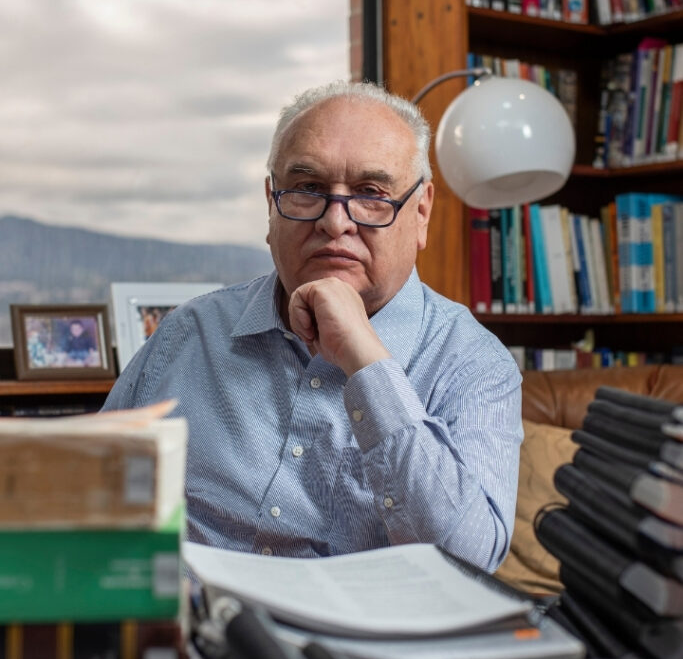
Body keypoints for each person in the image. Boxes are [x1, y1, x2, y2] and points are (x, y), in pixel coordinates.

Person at [103, 80, 522, 571]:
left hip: (360, 621)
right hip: (191, 613)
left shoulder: (473, 363)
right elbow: (91, 494)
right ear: (270, 203)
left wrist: (367, 361)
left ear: (421, 213)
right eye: (307, 189)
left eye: (371, 193)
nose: (335, 222)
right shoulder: (188, 334)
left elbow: (469, 561)